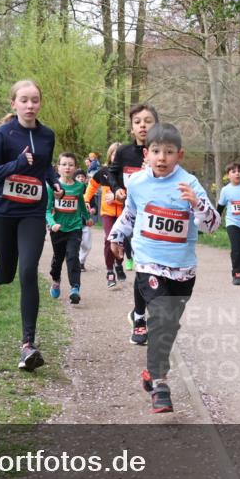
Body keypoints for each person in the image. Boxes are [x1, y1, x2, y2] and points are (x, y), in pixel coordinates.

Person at [108, 123, 219, 413]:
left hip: (182, 269)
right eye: (156, 151)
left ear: (179, 155)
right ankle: (160, 383)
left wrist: (197, 204)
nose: (162, 158)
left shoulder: (189, 184)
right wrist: (116, 236)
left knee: (169, 324)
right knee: (159, 318)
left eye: (169, 152)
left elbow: (212, 226)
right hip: (149, 262)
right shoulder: (137, 183)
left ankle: (151, 371)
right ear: (146, 154)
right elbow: (131, 213)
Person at [0, 78, 63, 372]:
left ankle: (28, 344)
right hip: (4, 211)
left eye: (35, 100)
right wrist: (16, 164)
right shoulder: (4, 134)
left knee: (28, 271)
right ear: (13, 103)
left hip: (33, 212)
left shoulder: (47, 135)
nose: (30, 105)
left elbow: (45, 167)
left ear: (40, 103)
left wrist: (55, 182)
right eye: (24, 100)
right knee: (8, 272)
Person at [107, 104, 159, 345]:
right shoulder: (124, 152)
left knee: (157, 271)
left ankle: (147, 312)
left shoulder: (163, 152)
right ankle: (139, 319)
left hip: (158, 219)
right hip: (134, 219)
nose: (143, 126)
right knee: (142, 268)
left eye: (148, 121)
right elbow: (110, 173)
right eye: (137, 122)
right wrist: (117, 188)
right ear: (131, 128)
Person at [46, 153, 93, 304]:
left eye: (71, 165)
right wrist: (52, 223)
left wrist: (87, 217)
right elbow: (47, 210)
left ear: (75, 168)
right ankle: (56, 280)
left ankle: (75, 288)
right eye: (64, 164)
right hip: (57, 229)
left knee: (73, 256)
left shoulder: (79, 186)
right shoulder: (52, 187)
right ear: (58, 167)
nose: (67, 167)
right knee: (58, 258)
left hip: (75, 227)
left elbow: (81, 204)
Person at [85, 142, 126, 289]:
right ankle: (110, 271)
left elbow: (132, 195)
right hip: (107, 213)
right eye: (115, 153)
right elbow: (92, 186)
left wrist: (115, 198)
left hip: (124, 213)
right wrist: (86, 200)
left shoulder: (127, 174)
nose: (117, 156)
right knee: (110, 239)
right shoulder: (103, 172)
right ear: (110, 155)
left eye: (120, 154)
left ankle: (119, 264)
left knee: (121, 241)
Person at [74, 169, 93, 271]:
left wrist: (93, 210)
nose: (81, 178)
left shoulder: (88, 192)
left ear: (85, 179)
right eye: (78, 177)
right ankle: (76, 263)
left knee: (87, 245)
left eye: (82, 177)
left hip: (86, 223)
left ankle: (81, 261)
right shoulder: (71, 190)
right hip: (74, 223)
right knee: (74, 244)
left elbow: (94, 205)